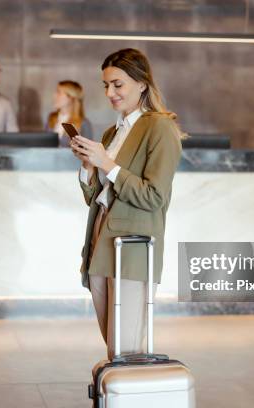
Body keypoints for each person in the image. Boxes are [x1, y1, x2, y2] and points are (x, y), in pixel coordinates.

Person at [70, 48, 184, 359]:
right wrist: (89, 165)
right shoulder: (112, 132)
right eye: (106, 85)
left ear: (142, 84)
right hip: (101, 236)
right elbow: (95, 196)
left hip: (133, 245)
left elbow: (154, 197)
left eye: (118, 84)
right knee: (114, 342)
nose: (110, 93)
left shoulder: (160, 127)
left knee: (127, 343)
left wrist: (106, 163)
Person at [46, 80, 93, 147]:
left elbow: (88, 152)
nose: (54, 95)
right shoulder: (51, 118)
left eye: (59, 92)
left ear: (71, 98)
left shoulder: (84, 123)